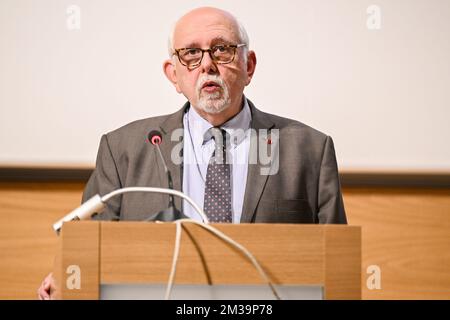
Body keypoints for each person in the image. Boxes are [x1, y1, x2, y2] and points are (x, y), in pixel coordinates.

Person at [38, 6, 346, 300]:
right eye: (191, 54)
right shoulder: (124, 149)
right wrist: (67, 276)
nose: (207, 65)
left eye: (222, 49)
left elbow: (337, 268)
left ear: (248, 66)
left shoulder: (308, 150)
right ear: (173, 74)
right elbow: (87, 253)